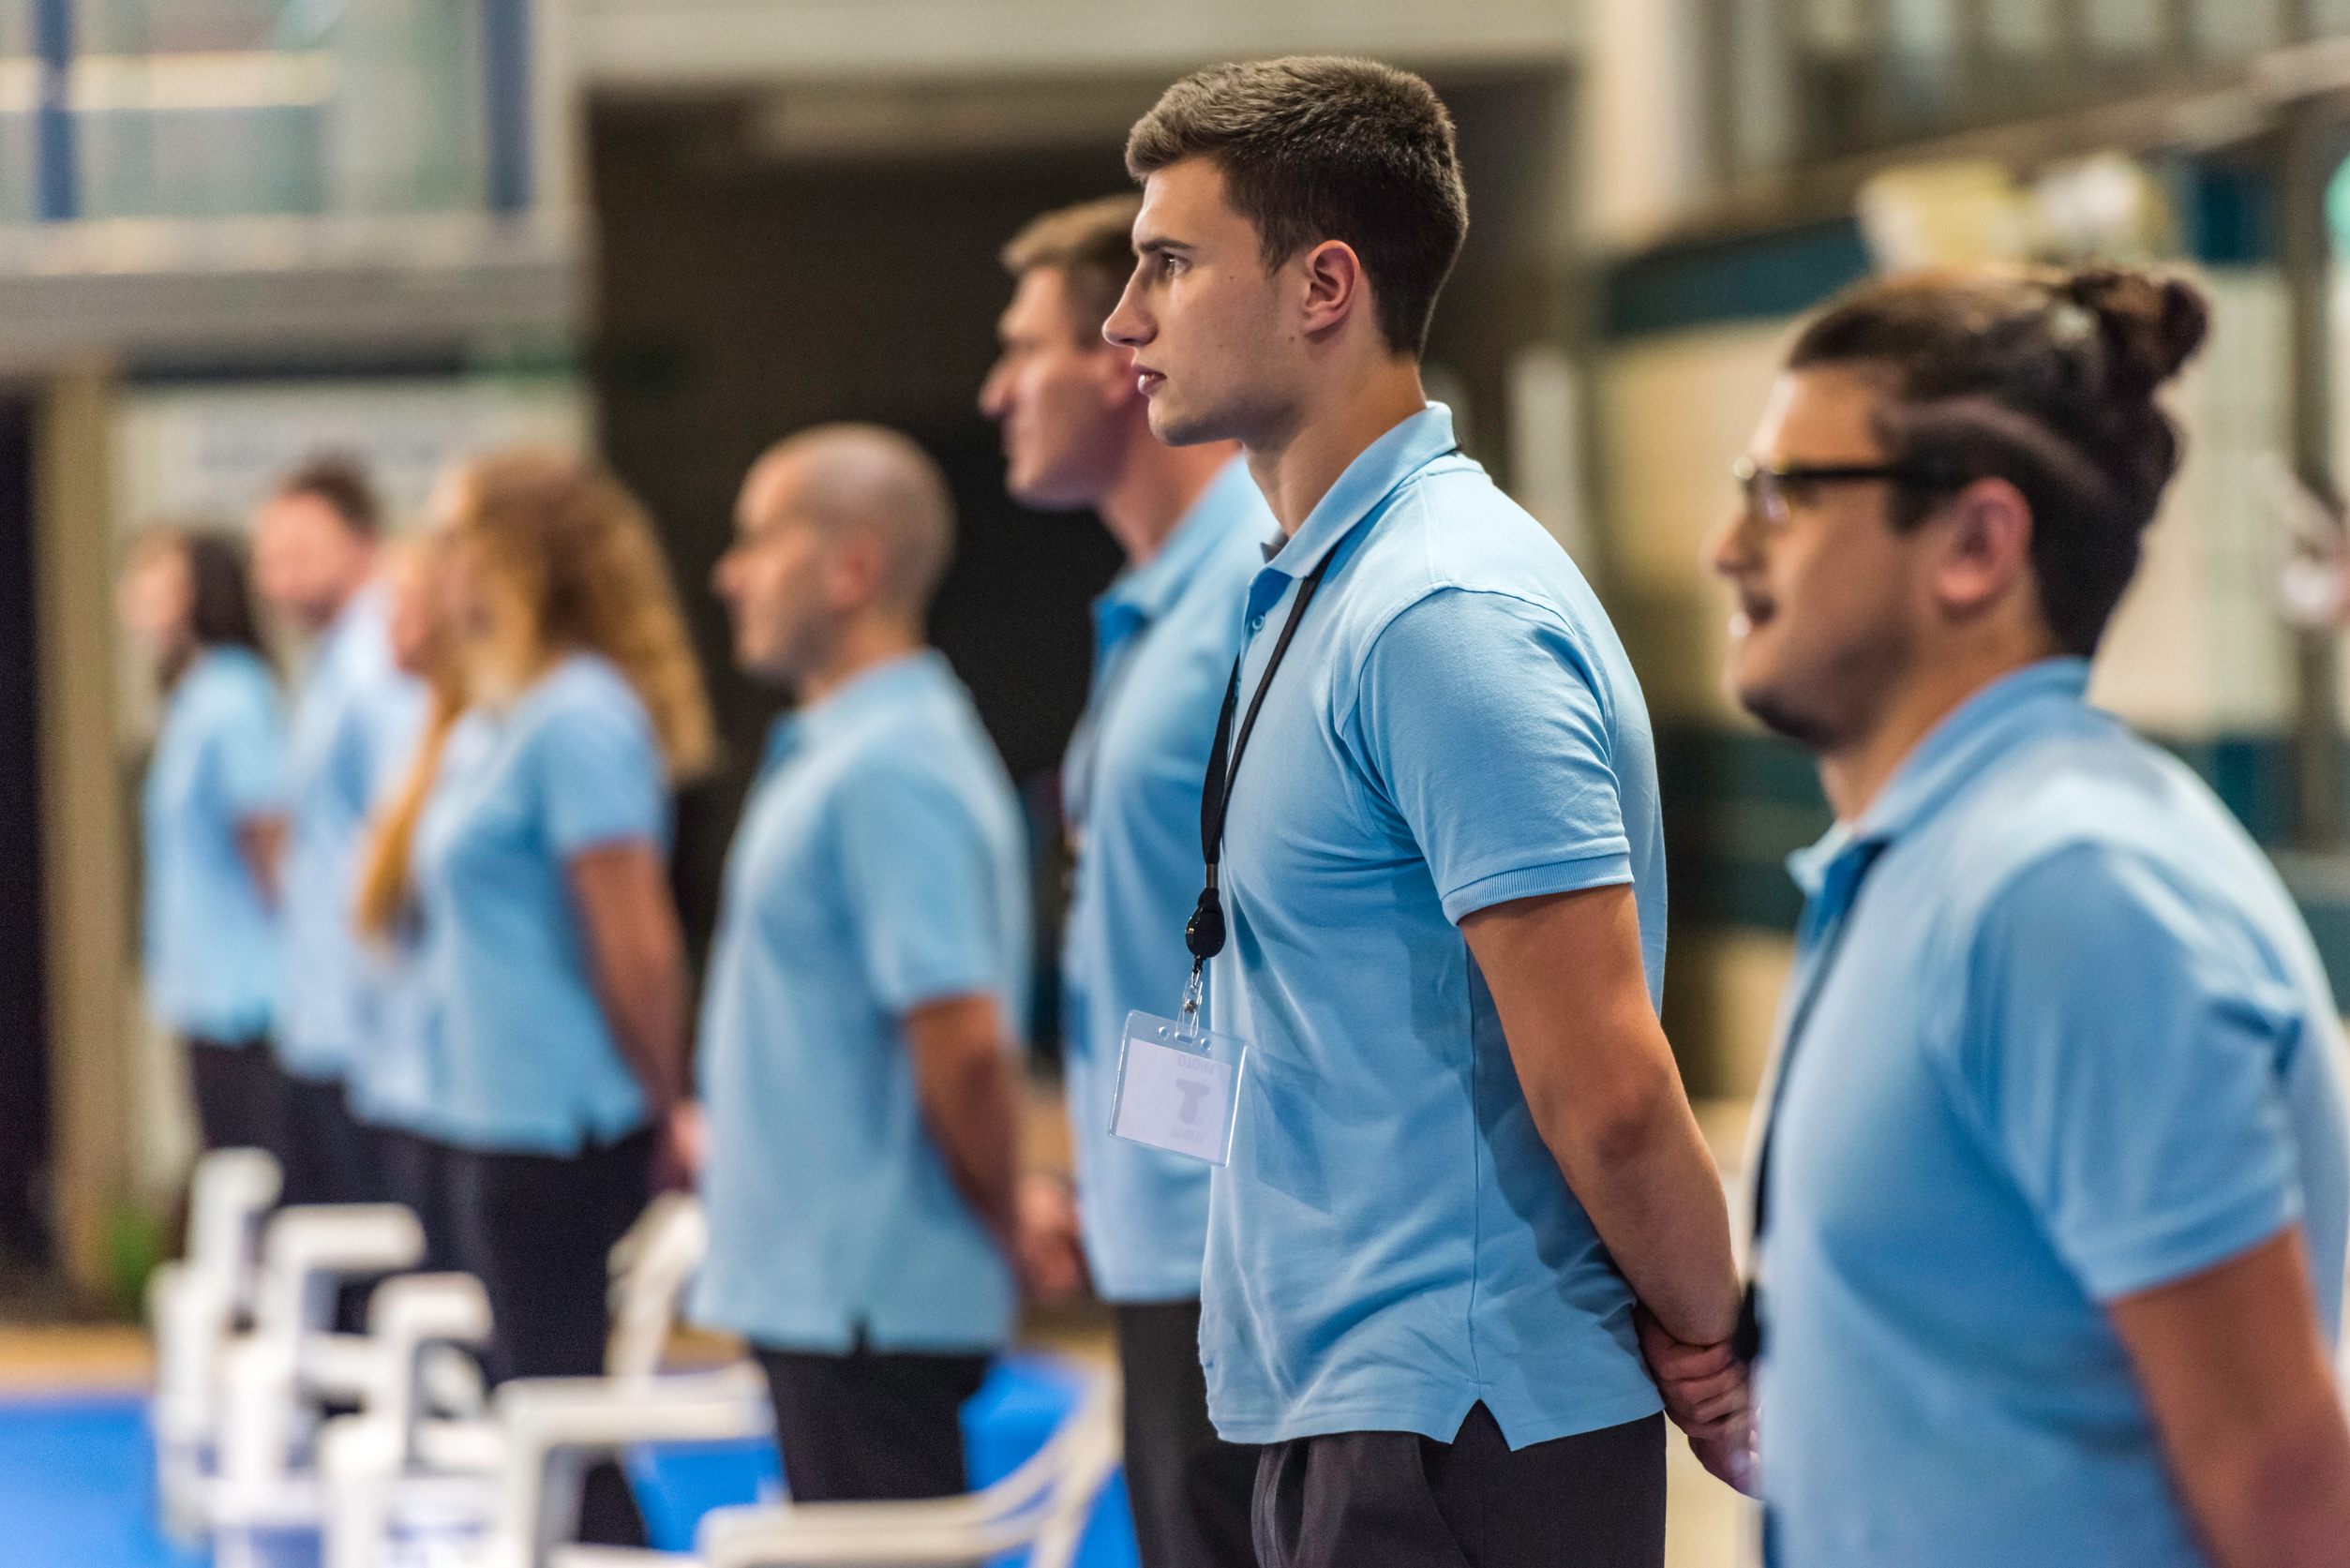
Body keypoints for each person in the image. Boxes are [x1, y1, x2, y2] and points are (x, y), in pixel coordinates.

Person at [1102, 58, 1738, 1568]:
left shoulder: (1440, 610)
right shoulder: (1322, 584)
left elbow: (1611, 1087)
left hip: (1460, 1426)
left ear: (1324, 285)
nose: (1126, 319)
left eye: (1169, 264)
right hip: (1349, 1410)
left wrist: (1720, 1338)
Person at [1641, 264, 2350, 1566]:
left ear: (1974, 545)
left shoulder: (2063, 892)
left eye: (1784, 494)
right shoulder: (1923, 862)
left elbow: (2284, 1494)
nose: (1726, 546)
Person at [980, 194, 1269, 1568]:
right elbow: (1169, 959)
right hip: (1166, 1237)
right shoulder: (1154, 603)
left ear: (1116, 354)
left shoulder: (1251, 588)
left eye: (1020, 348)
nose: (994, 390)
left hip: (1244, 1256)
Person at [689, 425, 1031, 1502]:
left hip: (868, 1303)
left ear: (850, 566)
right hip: (828, 1298)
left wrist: (1010, 1212)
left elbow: (964, 1045)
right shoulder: (841, 751)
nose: (728, 573)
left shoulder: (894, 766)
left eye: (758, 541)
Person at [415, 450, 714, 1541]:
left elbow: (634, 938)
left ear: (516, 556)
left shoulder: (579, 716)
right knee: (535, 1423)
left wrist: (669, 1097)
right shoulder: (513, 710)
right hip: (495, 1110)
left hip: (558, 1122)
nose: (435, 565)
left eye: (455, 539)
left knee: (559, 1430)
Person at [252, 455, 427, 1208]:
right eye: (269, 560)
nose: (278, 579)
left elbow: (403, 834)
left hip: (368, 1029)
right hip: (326, 1018)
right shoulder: (333, 664)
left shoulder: (383, 662)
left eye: (300, 554)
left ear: (365, 543)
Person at [119, 528, 288, 1156]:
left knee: (247, 1164)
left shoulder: (235, 693)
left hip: (246, 998)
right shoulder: (187, 696)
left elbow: (268, 837)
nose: (131, 595)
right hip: (201, 989)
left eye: (152, 578)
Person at [350, 531, 470, 1270]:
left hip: (458, 1087)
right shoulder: (422, 734)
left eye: (401, 606)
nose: (385, 626)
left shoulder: (476, 742)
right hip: (412, 1069)